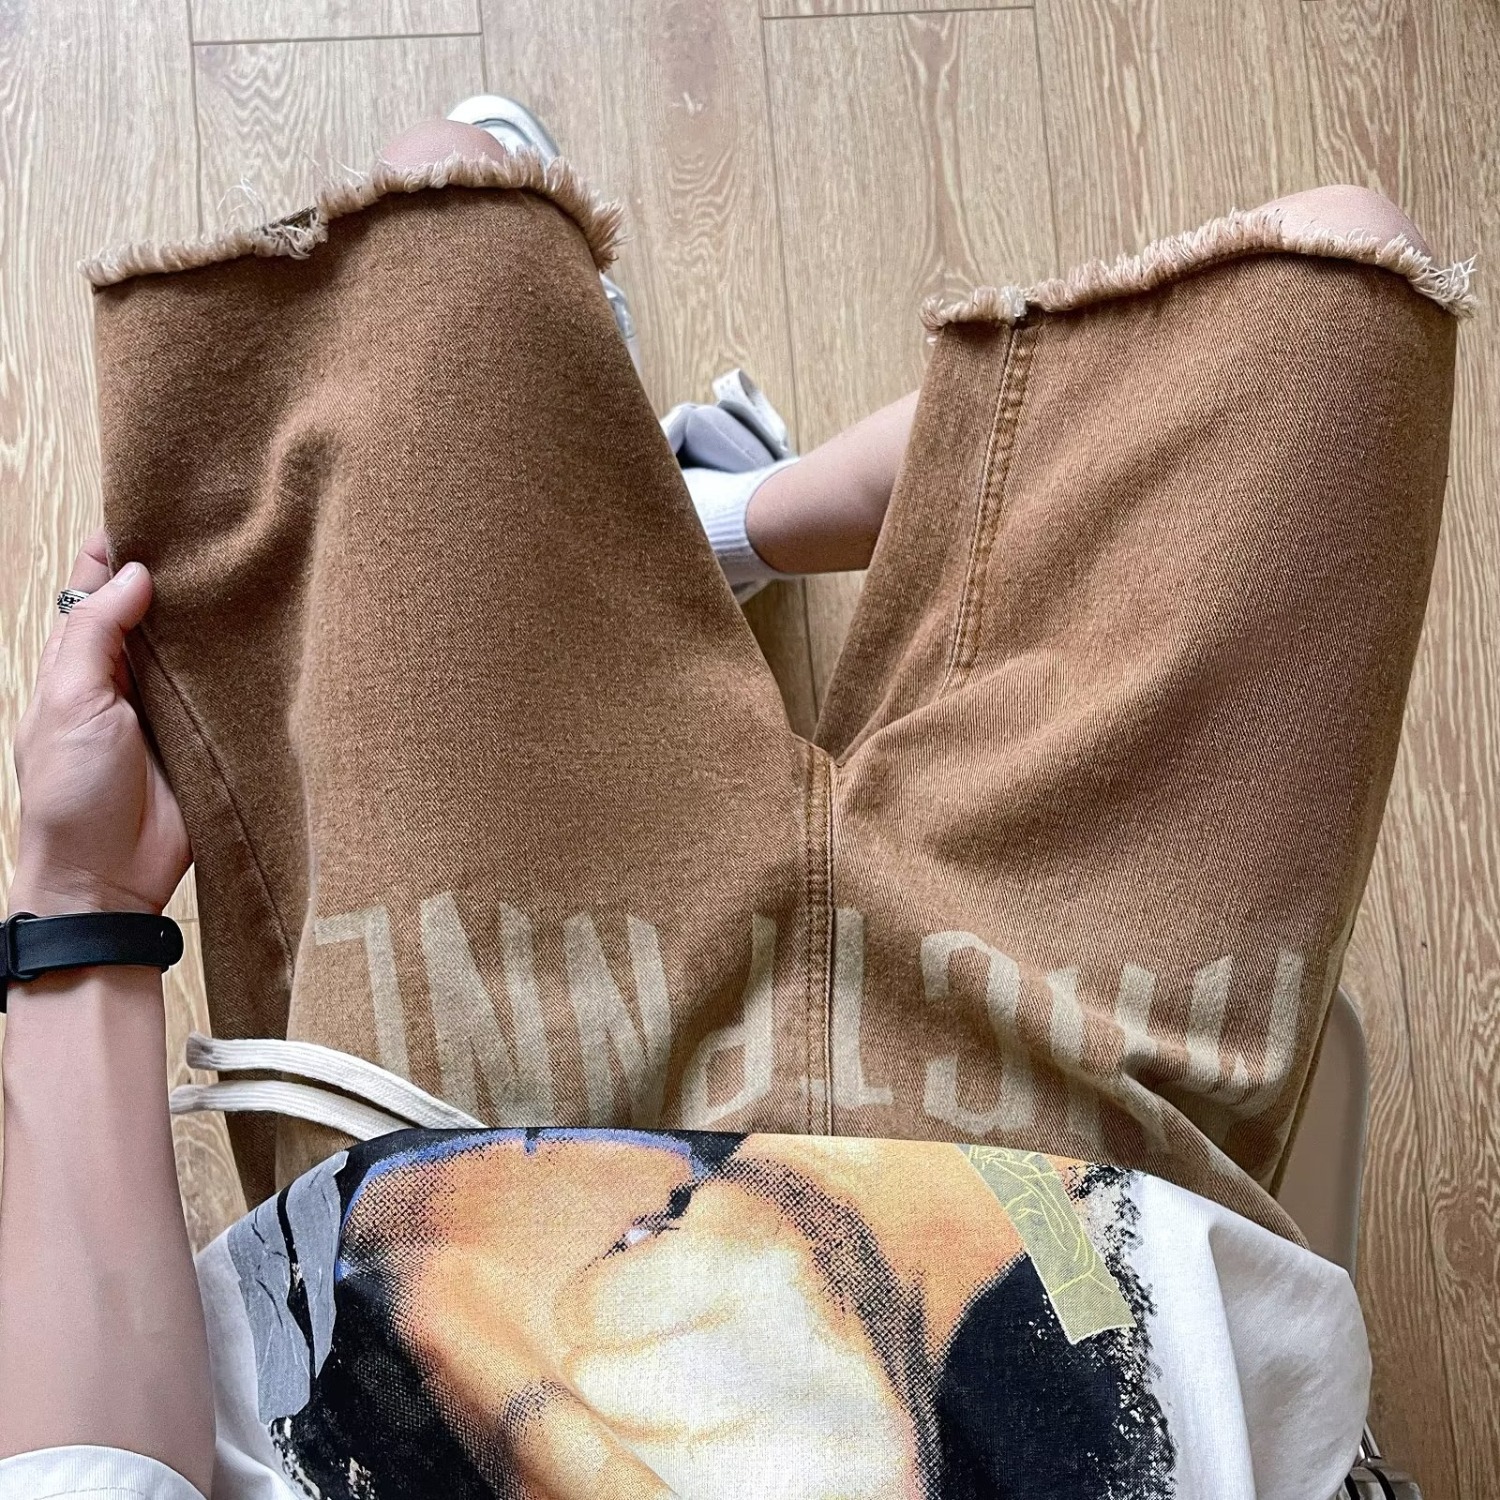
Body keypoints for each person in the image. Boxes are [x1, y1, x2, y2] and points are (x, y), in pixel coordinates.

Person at [0, 93, 1468, 1499]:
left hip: (479, 1173)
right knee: (1330, 288)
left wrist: (82, 903)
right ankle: (709, 524)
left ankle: (704, 524)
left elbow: (92, 1472)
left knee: (443, 252)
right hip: (1079, 1235)